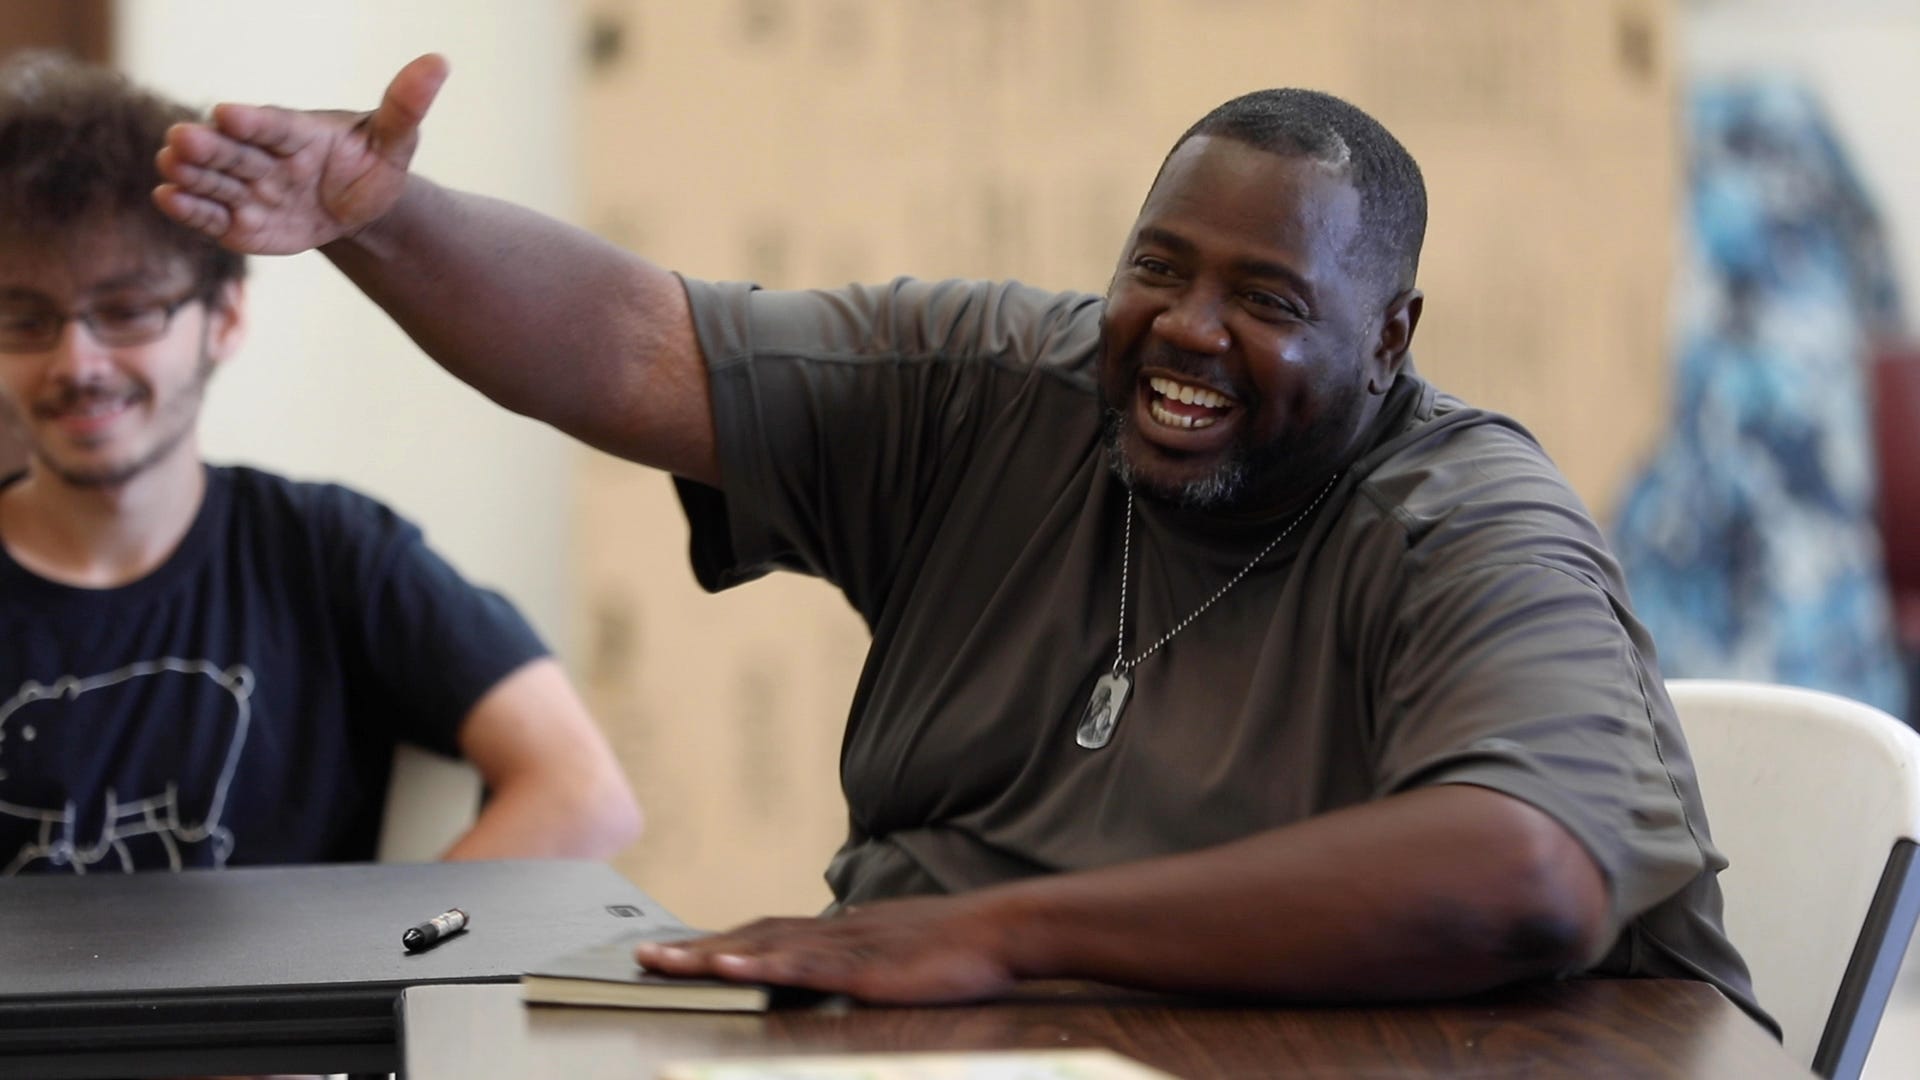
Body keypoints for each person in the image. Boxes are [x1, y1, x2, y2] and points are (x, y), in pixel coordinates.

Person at [153, 55, 1773, 1032]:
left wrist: (994, 933)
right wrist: (382, 221)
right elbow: (653, 351)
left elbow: (1528, 873)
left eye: (1270, 302)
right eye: (1160, 268)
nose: (1184, 333)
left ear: (1391, 337)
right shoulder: (1009, 385)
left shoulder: (1471, 518)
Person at [0, 54, 641, 874]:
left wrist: (387, 965)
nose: (77, 362)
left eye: (127, 311)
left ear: (224, 317)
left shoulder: (328, 552)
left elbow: (584, 795)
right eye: (25, 319)